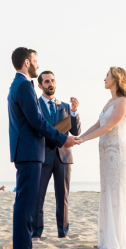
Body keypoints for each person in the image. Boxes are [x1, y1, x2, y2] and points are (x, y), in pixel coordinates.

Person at [8, 47, 80, 249]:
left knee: (26, 201)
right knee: (27, 202)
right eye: (35, 61)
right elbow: (37, 122)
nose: (37, 65)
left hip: (27, 151)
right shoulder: (23, 86)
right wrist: (61, 139)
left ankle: (23, 244)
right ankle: (23, 246)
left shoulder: (18, 84)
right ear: (27, 63)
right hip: (30, 152)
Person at [79, 67, 126, 249]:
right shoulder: (109, 102)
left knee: (116, 191)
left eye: (107, 75)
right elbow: (98, 124)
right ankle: (107, 238)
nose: (104, 78)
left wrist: (84, 140)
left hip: (116, 153)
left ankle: (117, 239)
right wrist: (78, 138)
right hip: (104, 154)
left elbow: (109, 127)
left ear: (116, 78)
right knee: (106, 191)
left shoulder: (122, 102)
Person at [32, 70, 81, 239]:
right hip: (43, 156)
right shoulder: (35, 105)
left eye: (52, 81)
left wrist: (74, 112)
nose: (50, 84)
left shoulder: (66, 107)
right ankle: (36, 233)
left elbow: (75, 131)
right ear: (40, 86)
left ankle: (63, 233)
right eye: (46, 81)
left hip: (64, 157)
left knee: (63, 197)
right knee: (38, 197)